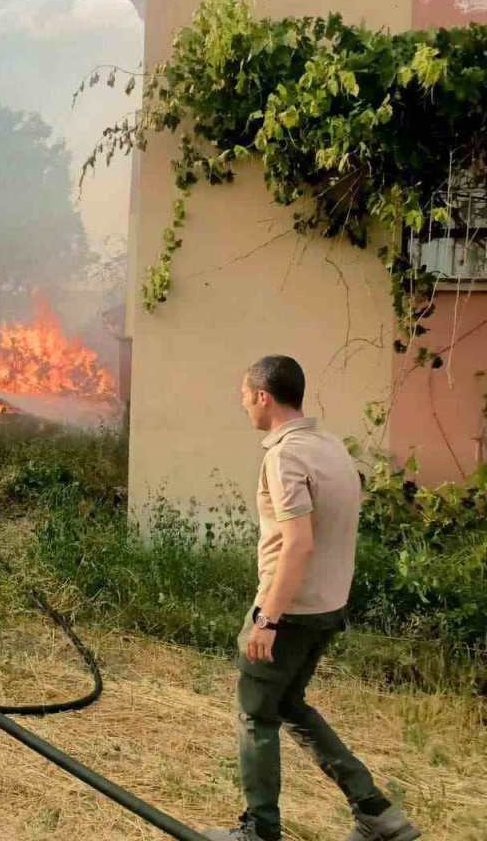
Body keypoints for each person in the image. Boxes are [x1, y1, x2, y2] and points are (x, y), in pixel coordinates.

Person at [205, 356, 420, 841]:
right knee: (291, 705)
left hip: (289, 611)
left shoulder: (285, 456)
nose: (243, 405)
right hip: (327, 607)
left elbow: (298, 543)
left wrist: (267, 620)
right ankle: (378, 813)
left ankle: (259, 831)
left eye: (245, 395)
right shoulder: (331, 448)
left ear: (263, 396)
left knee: (256, 715)